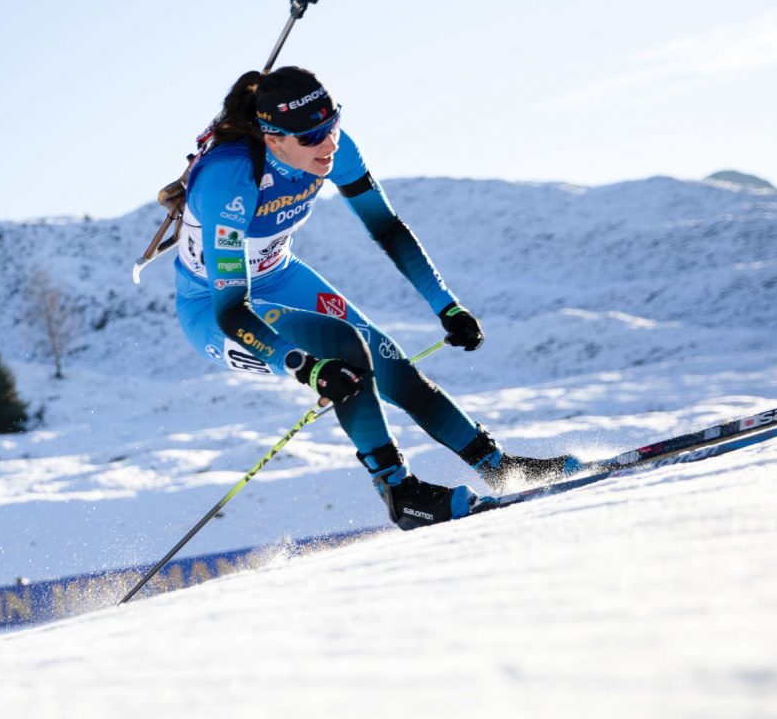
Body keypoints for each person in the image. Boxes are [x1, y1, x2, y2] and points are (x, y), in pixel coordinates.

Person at [173, 66, 579, 530]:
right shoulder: (230, 179)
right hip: (214, 306)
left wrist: (445, 304)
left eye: (332, 128)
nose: (327, 146)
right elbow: (231, 309)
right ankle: (400, 493)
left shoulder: (333, 148)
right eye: (309, 139)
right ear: (272, 137)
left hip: (279, 275)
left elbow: (386, 226)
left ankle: (500, 469)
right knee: (339, 346)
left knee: (388, 361)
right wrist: (301, 364)